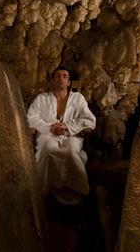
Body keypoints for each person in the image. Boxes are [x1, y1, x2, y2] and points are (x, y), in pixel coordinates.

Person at [27, 66, 96, 205]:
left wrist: (67, 126)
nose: (61, 79)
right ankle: (46, 190)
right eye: (57, 76)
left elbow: (89, 119)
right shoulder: (41, 98)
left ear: (69, 82)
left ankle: (75, 191)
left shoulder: (78, 98)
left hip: (71, 135)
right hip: (47, 135)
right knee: (47, 150)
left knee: (70, 151)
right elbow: (30, 118)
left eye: (65, 76)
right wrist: (49, 127)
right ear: (52, 80)